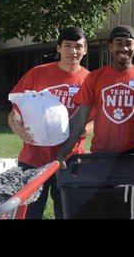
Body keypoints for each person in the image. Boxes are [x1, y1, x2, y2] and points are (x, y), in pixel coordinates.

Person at [8, 26, 94, 219]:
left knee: (67, 213)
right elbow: (13, 114)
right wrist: (18, 130)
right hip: (33, 160)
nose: (73, 51)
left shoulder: (90, 80)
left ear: (85, 50)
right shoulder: (37, 74)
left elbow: (98, 119)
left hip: (71, 160)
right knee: (28, 213)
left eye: (78, 46)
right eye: (67, 46)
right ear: (58, 48)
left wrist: (84, 130)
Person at [56, 26, 134, 171]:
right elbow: (81, 117)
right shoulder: (94, 78)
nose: (124, 48)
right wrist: (63, 152)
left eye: (128, 43)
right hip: (102, 153)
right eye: (119, 43)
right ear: (110, 46)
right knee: (106, 194)